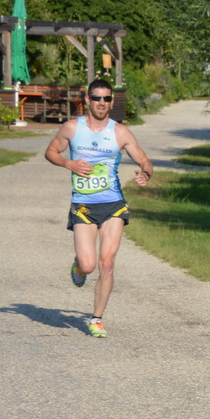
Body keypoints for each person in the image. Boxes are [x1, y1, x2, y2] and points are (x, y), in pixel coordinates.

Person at [45, 82, 153, 337]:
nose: (101, 103)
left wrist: (146, 173)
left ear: (112, 101)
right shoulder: (72, 127)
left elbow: (144, 159)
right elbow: (51, 151)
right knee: (89, 264)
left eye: (106, 98)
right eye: (96, 98)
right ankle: (79, 267)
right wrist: (67, 163)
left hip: (114, 204)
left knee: (106, 263)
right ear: (87, 99)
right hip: (83, 205)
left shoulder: (121, 133)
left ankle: (96, 319)